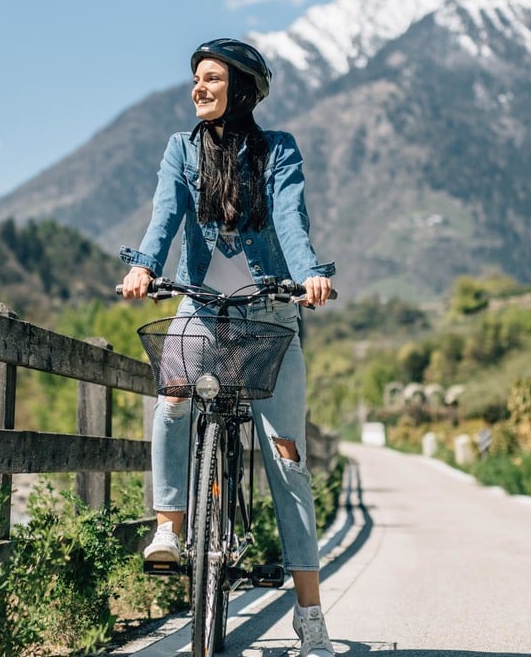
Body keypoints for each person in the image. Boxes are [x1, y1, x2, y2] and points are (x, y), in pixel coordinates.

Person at [119, 37, 336, 657]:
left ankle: (310, 615)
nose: (198, 88)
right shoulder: (180, 151)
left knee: (286, 458)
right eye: (195, 79)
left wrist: (311, 274)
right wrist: (143, 267)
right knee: (172, 396)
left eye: (211, 78)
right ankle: (169, 525)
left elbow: (292, 221)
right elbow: (164, 217)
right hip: (200, 307)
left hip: (269, 315)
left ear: (241, 89)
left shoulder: (278, 151)